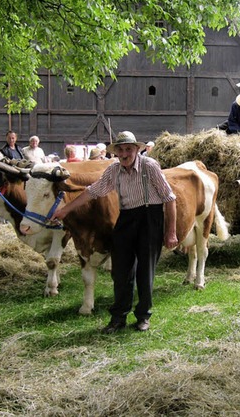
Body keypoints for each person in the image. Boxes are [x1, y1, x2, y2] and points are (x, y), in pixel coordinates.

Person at [51, 131, 178, 333]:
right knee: (121, 272)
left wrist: (171, 232)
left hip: (150, 218)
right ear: (116, 152)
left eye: (129, 149)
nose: (124, 153)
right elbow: (93, 191)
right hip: (126, 218)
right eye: (120, 149)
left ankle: (143, 316)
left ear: (137, 150)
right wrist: (65, 210)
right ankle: (118, 317)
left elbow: (169, 199)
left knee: (145, 272)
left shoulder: (149, 166)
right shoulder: (114, 170)